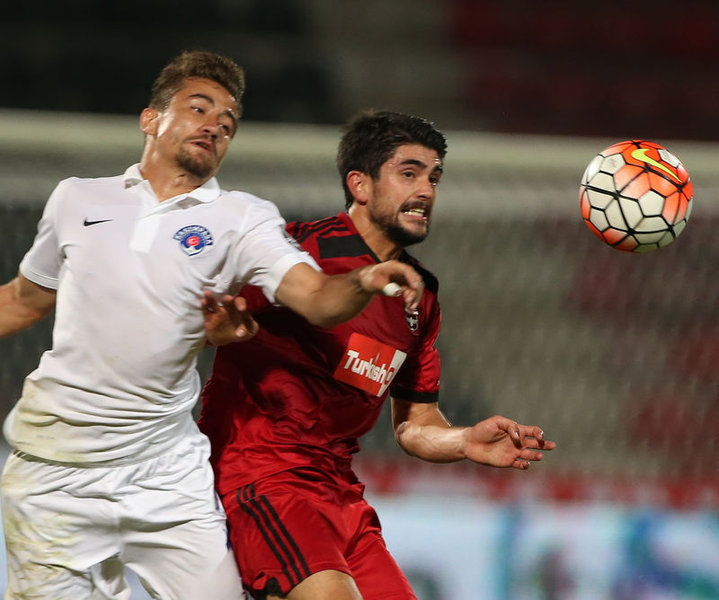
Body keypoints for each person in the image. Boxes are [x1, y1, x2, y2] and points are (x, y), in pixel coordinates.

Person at [0, 54, 423, 600]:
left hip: (164, 473)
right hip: (53, 469)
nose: (215, 126)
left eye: (228, 123)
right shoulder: (77, 198)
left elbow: (317, 299)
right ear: (151, 119)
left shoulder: (241, 218)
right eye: (199, 109)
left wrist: (362, 281)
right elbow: (23, 301)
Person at [198, 110, 557, 600]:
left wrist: (464, 441)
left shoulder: (419, 295)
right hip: (262, 477)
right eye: (409, 173)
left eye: (434, 178)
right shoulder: (293, 254)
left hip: (340, 494)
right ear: (360, 185)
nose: (426, 191)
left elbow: (415, 424)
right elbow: (199, 321)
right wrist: (214, 333)